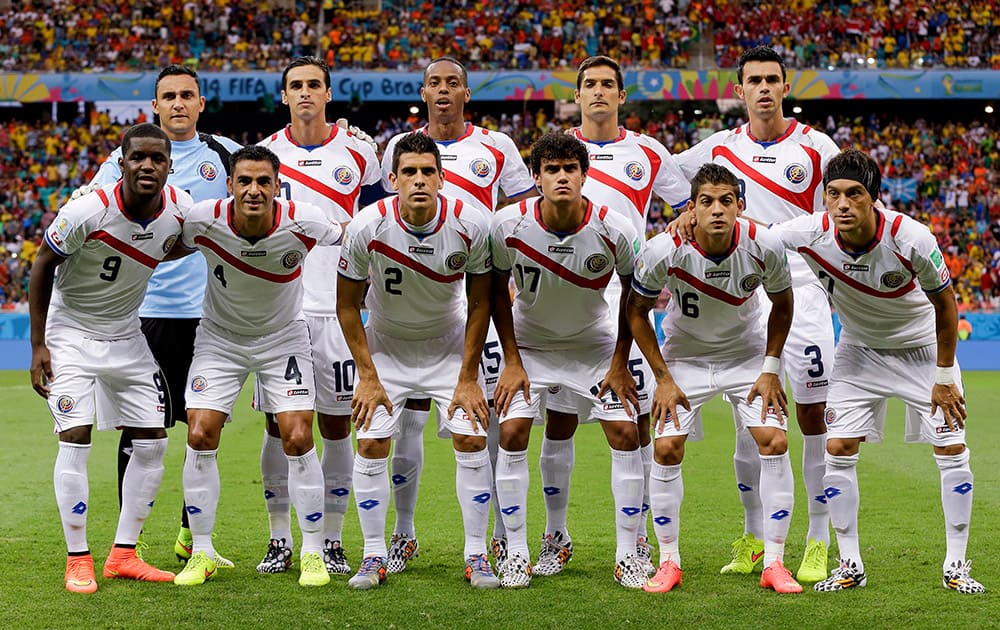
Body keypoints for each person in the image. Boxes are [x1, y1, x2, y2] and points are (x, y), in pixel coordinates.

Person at [769, 149, 984, 594]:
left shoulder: (911, 237)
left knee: (952, 450)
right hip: (858, 350)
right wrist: (684, 221)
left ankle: (956, 565)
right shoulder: (811, 231)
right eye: (833, 195)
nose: (842, 204)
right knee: (838, 447)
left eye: (854, 194)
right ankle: (850, 564)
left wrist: (944, 377)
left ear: (875, 199)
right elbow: (753, 236)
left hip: (922, 352)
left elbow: (946, 303)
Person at [674, 45, 841, 582]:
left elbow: (837, 214)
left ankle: (817, 540)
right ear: (739, 89)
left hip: (803, 292)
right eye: (754, 80)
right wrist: (681, 215)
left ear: (785, 85)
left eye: (773, 79)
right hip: (743, 295)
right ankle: (752, 537)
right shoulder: (718, 148)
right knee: (751, 424)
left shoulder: (816, 148)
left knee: (813, 417)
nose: (764, 88)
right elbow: (678, 190)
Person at [530, 55, 691, 579]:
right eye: (589, 85)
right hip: (560, 306)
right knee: (559, 421)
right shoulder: (562, 154)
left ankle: (636, 541)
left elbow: (686, 205)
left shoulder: (648, 152)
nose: (598, 92)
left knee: (632, 427)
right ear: (576, 95)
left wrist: (666, 254)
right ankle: (556, 536)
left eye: (607, 85)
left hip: (624, 306)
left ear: (622, 95)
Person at [378, 57, 536, 573]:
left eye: (453, 83)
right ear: (422, 91)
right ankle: (402, 533)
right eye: (435, 83)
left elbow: (522, 212)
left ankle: (488, 537)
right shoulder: (399, 150)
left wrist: (513, 279)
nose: (443, 90)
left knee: (481, 424)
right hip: (414, 300)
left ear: (466, 92)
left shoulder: (498, 147)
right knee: (406, 425)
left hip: (480, 299)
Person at [90, 64, 241, 567]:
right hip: (144, 314)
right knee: (139, 429)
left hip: (209, 317)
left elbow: (273, 180)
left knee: (204, 428)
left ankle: (191, 536)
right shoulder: (124, 156)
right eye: (169, 96)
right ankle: (125, 542)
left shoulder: (224, 154)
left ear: (201, 104)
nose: (178, 103)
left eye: (187, 96)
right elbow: (92, 206)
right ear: (155, 106)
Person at [172, 145, 343, 588]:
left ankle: (311, 551)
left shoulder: (305, 221)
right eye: (244, 181)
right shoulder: (202, 219)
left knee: (298, 435)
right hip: (220, 340)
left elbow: (352, 235)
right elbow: (159, 235)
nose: (253, 190)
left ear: (277, 186)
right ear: (229, 185)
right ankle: (203, 552)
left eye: (263, 181)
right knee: (199, 432)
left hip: (283, 338)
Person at [30, 123, 190, 593]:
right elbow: (42, 264)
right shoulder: (88, 209)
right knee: (75, 436)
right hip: (71, 331)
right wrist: (39, 344)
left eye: (156, 158)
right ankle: (77, 558)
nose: (147, 165)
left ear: (168, 165)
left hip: (125, 333)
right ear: (121, 164)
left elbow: (180, 241)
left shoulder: (177, 209)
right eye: (137, 157)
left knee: (153, 439)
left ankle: (124, 554)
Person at [627, 163, 800, 594]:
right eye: (707, 202)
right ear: (692, 208)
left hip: (745, 356)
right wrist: (663, 378)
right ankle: (669, 561)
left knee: (775, 441)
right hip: (684, 357)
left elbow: (783, 304)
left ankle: (775, 563)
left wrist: (770, 369)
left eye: (726, 201)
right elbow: (635, 311)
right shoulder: (662, 249)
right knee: (665, 446)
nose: (717, 210)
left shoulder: (765, 244)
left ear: (740, 206)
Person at [337, 132, 497, 590]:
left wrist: (468, 376)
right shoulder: (366, 226)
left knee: (471, 441)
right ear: (392, 179)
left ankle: (476, 554)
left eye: (429, 171)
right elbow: (347, 305)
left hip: (449, 348)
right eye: (410, 172)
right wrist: (367, 376)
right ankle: (372, 556)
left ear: (443, 178)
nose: (420, 180)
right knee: (370, 444)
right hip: (386, 347)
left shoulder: (471, 223)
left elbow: (482, 301)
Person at [490, 132, 645, 589]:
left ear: (584, 175)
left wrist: (619, 362)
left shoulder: (615, 228)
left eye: (570, 169)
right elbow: (495, 292)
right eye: (552, 169)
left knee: (625, 431)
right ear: (535, 178)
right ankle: (523, 549)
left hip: (595, 344)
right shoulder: (507, 225)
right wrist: (513, 359)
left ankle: (628, 552)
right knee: (513, 430)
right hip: (531, 344)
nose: (562, 176)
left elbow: (635, 297)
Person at [254, 56, 380, 577]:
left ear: (328, 94)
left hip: (340, 309)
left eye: (314, 85)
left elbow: (376, 223)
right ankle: (280, 538)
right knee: (278, 426)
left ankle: (330, 539)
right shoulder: (265, 154)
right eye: (295, 86)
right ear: (284, 96)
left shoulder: (361, 152)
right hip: (283, 310)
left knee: (335, 426)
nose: (305, 93)